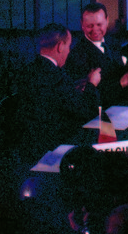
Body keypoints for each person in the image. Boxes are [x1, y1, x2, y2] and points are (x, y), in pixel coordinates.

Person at [20, 24, 100, 160]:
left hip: (28, 143)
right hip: (53, 147)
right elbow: (86, 112)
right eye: (68, 47)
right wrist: (92, 84)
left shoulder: (29, 70)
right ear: (60, 46)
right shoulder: (55, 76)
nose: (69, 52)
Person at [66, 2, 128, 107]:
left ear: (107, 21)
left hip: (125, 103)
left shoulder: (112, 42)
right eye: (90, 26)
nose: (95, 30)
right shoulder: (77, 55)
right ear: (82, 25)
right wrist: (120, 84)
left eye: (99, 24)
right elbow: (87, 99)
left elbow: (126, 69)